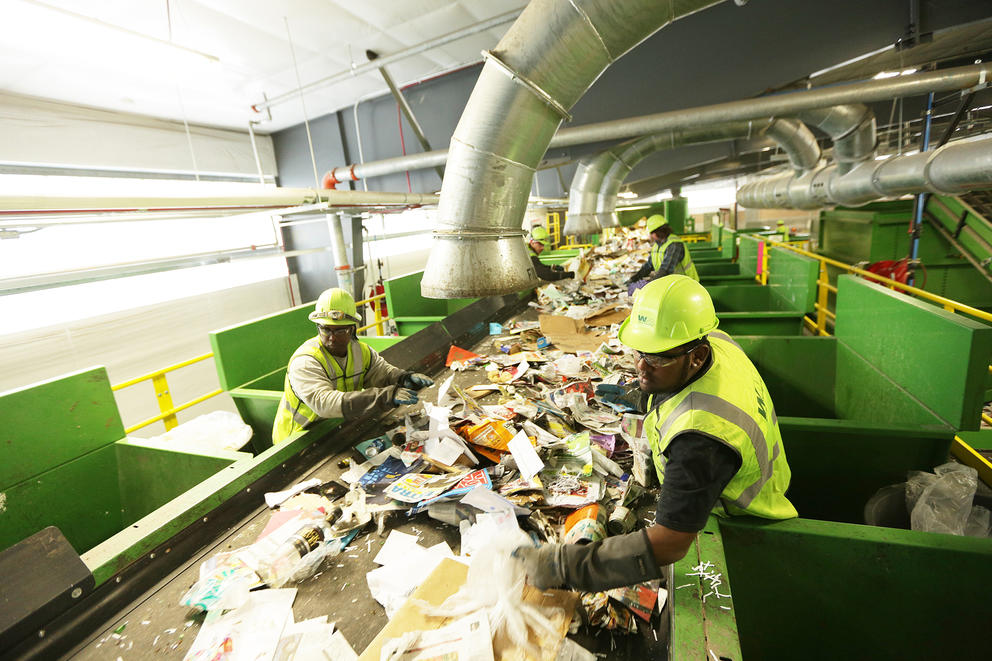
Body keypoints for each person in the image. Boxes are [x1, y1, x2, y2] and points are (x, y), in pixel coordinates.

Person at [515, 275, 797, 592]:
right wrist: (643, 393)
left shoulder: (701, 436)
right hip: (755, 486)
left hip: (742, 530)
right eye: (638, 351)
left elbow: (670, 544)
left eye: (657, 357)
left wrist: (565, 566)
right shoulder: (714, 340)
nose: (641, 366)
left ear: (697, 356)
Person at [272, 287, 434, 444]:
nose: (332, 338)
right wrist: (385, 396)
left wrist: (403, 378)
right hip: (297, 439)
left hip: (333, 429)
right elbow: (325, 403)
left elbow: (381, 372)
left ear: (352, 328)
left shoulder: (360, 351)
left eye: (340, 331)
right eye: (326, 330)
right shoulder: (306, 361)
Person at [626, 214, 698, 294]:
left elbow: (665, 269)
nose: (650, 236)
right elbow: (648, 266)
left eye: (651, 233)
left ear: (659, 232)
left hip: (686, 286)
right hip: (672, 285)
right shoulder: (657, 245)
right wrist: (634, 278)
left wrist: (649, 285)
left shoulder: (674, 245)